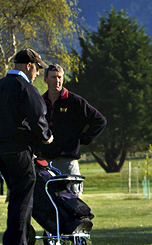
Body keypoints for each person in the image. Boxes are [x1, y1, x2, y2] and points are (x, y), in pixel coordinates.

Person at [0, 48, 54, 245]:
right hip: (19, 152)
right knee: (23, 203)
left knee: (17, 202)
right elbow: (38, 118)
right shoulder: (26, 89)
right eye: (37, 68)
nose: (38, 73)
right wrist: (47, 138)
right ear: (29, 66)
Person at [40, 63, 107, 195]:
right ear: (45, 79)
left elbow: (100, 121)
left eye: (60, 77)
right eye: (53, 77)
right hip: (45, 161)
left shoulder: (74, 101)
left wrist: (83, 139)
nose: (57, 81)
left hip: (67, 161)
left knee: (72, 201)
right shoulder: (40, 102)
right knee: (48, 201)